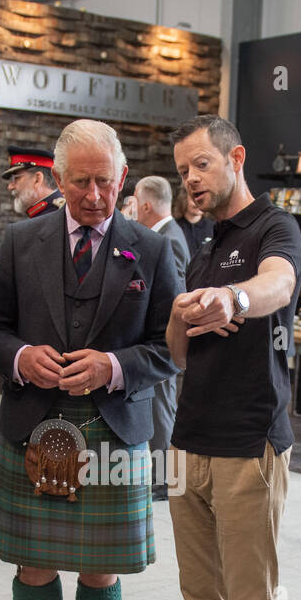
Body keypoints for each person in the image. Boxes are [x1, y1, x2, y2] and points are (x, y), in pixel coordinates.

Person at [0, 119, 180, 600]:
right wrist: (19, 356)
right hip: (32, 424)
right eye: (81, 182)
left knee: (101, 565)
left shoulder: (153, 248)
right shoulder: (21, 241)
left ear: (122, 179)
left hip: (112, 430)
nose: (94, 196)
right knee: (33, 561)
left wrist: (114, 365)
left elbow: (171, 350)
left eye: (106, 182)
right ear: (58, 179)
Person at [155, 115, 301, 600]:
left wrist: (235, 296)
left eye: (201, 165)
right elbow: (179, 355)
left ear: (235, 158)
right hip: (189, 447)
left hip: (249, 446)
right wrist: (183, 310)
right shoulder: (202, 242)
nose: (190, 178)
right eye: (183, 168)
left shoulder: (275, 228)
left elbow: (279, 285)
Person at [134, 175, 190, 500]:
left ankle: (164, 482)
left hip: (164, 343)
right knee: (157, 408)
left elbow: (176, 297)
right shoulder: (167, 235)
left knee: (161, 409)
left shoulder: (169, 239)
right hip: (157, 341)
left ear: (146, 204)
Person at [3, 146, 64, 218]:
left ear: (37, 180)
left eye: (16, 178)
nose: (10, 186)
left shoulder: (59, 216)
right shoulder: (55, 213)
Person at [174, 182, 214, 260]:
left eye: (202, 199)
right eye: (194, 199)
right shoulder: (175, 228)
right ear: (184, 199)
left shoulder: (214, 228)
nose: (198, 204)